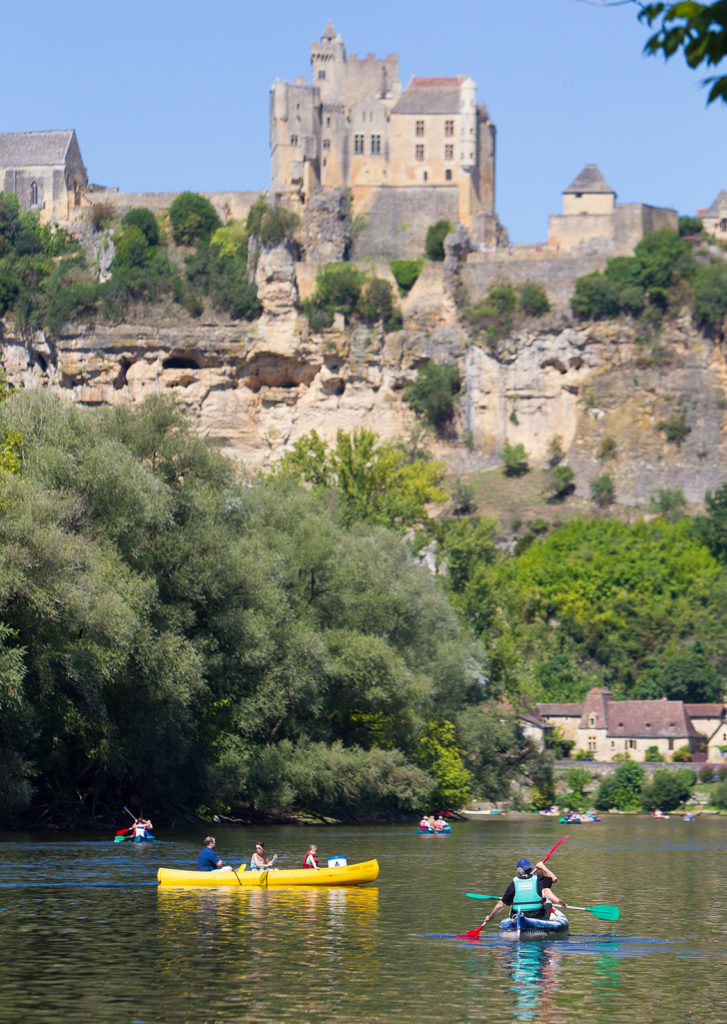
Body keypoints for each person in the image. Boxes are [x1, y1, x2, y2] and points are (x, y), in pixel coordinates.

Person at [480, 856, 567, 927]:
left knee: (511, 904)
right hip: (537, 915)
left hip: (519, 914)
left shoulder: (514, 883)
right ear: (530, 868)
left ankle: (518, 925)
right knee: (548, 904)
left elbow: (501, 904)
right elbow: (554, 879)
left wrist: (490, 916)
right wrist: (543, 867)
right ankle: (545, 922)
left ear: (518, 870)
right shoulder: (539, 879)